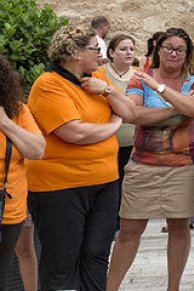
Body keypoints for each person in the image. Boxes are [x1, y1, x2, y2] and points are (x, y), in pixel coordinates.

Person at [28, 24, 138, 291]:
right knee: (62, 259)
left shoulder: (98, 76)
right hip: (60, 187)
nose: (100, 55)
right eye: (95, 49)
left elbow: (130, 113)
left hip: (104, 183)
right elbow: (74, 132)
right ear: (75, 53)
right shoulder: (49, 85)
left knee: (97, 253)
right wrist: (113, 127)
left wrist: (108, 90)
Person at [107, 27, 194, 291]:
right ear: (157, 50)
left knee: (179, 228)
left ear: (187, 54)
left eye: (180, 50)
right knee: (129, 229)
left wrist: (160, 89)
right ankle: (111, 287)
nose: (174, 54)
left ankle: (172, 288)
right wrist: (177, 107)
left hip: (184, 165)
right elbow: (132, 115)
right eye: (168, 48)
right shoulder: (141, 78)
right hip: (143, 164)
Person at [0, 55, 45, 286]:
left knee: (17, 257)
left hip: (9, 206)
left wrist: (5, 122)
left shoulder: (16, 111)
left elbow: (37, 150)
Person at [102, 32, 138, 180]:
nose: (129, 52)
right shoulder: (100, 74)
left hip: (134, 142)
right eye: (123, 49)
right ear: (111, 52)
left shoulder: (140, 76)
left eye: (131, 49)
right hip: (107, 141)